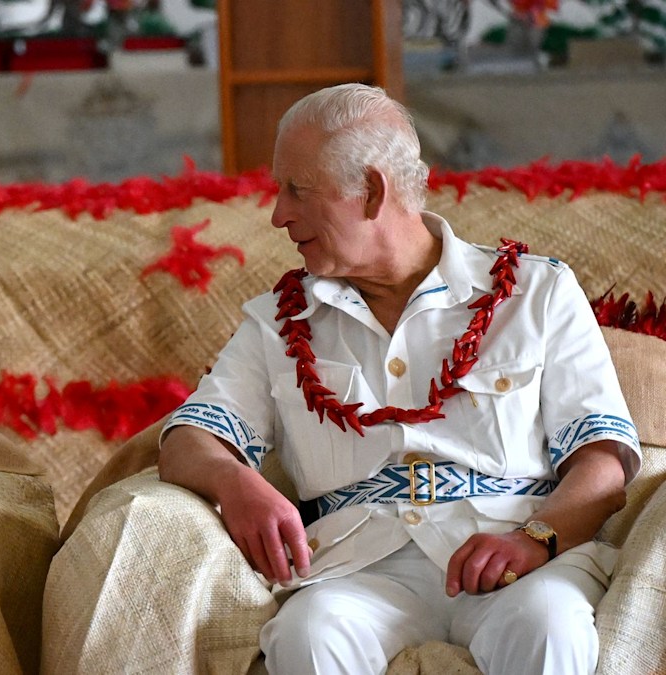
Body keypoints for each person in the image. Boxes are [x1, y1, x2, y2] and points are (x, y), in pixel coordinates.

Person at [157, 84, 641, 674]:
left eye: (297, 190)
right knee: (309, 633)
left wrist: (535, 538)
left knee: (549, 626)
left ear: (372, 191)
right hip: (361, 573)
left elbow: (603, 462)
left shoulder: (535, 292)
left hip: (518, 559)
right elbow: (187, 439)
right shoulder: (279, 323)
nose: (278, 214)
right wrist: (233, 481)